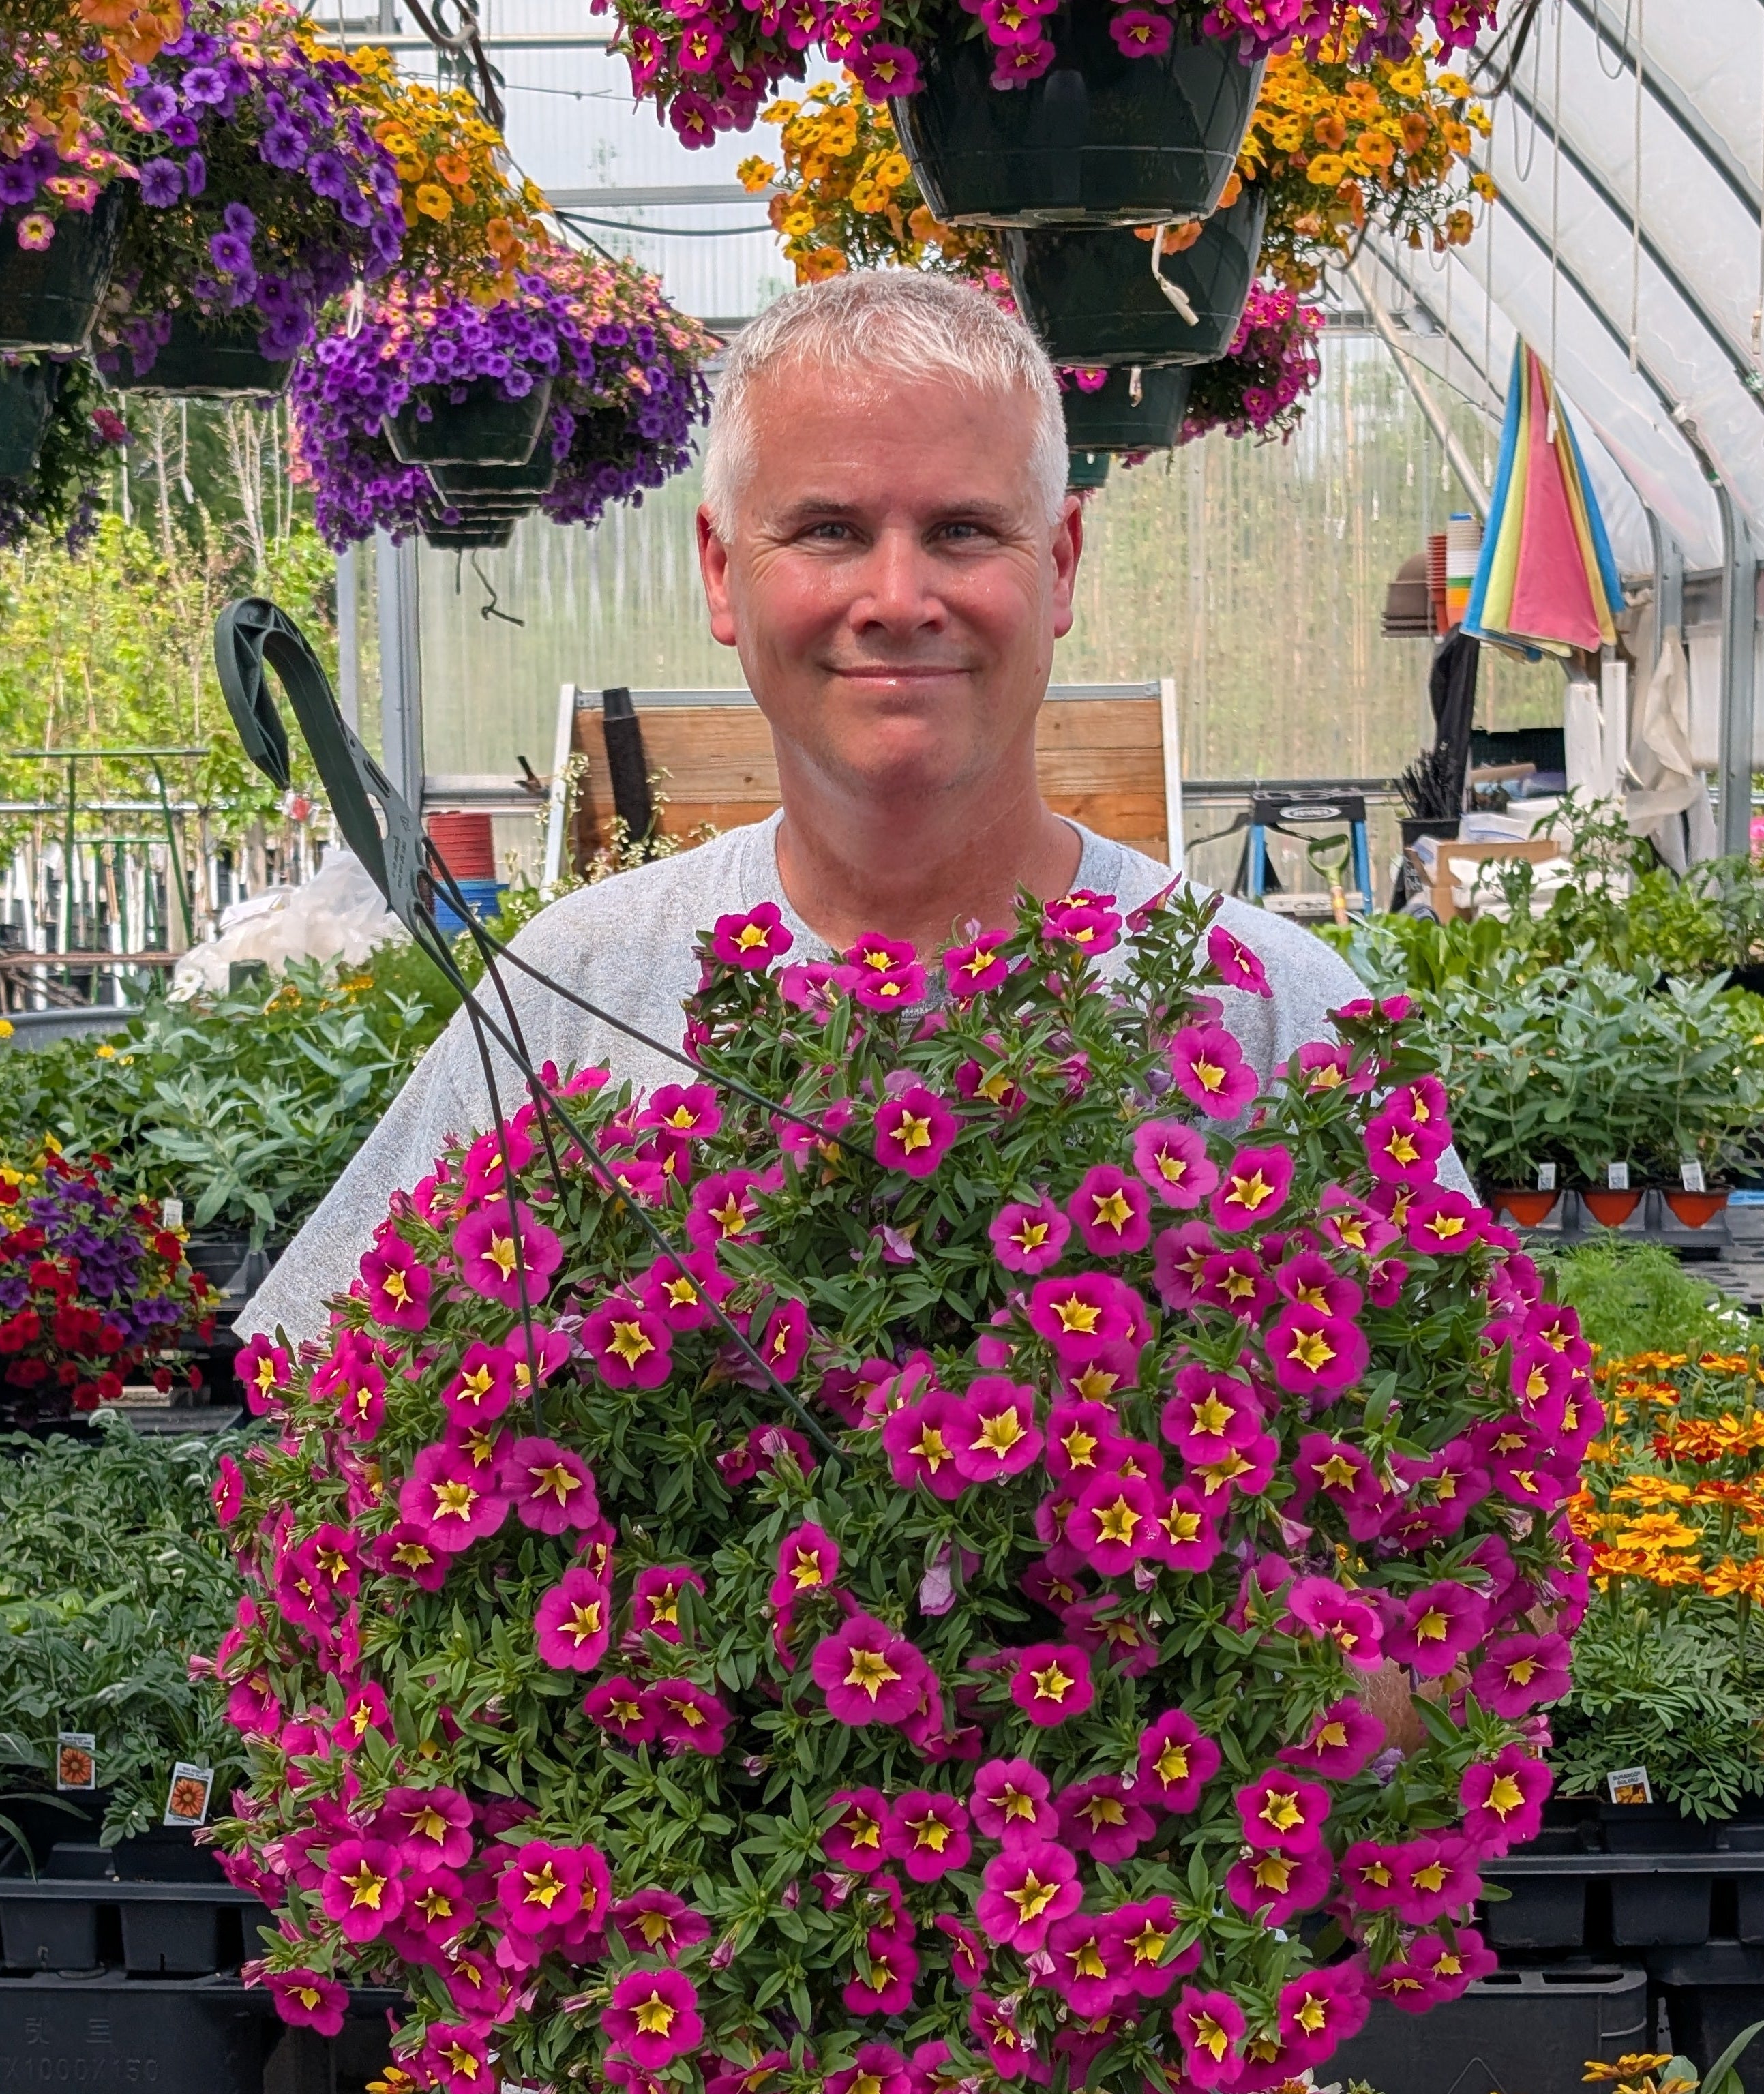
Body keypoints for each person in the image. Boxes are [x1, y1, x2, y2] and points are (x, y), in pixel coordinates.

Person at [241, 268, 1418, 1347]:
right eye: (827, 532)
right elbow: (317, 1385)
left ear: (1059, 565)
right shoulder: (577, 991)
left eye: (963, 530)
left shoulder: (1274, 1010)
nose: (897, 599)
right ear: (719, 570)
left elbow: (1438, 1424)